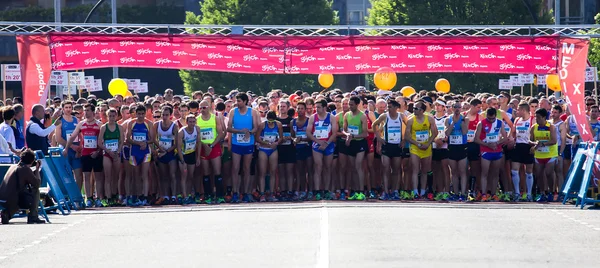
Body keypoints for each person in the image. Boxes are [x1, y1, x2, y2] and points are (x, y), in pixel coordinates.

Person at [64, 104, 104, 207]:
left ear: (93, 112)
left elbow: (102, 140)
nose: (86, 112)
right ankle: (89, 198)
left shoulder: (99, 124)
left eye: (88, 110)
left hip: (96, 154)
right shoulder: (81, 124)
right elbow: (72, 136)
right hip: (85, 153)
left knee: (98, 177)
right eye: (85, 110)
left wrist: (98, 151)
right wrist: (66, 148)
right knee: (86, 176)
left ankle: (98, 198)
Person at [226, 93, 260, 203]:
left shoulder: (252, 112)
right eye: (237, 100)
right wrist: (240, 131)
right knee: (235, 168)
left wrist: (249, 132)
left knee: (246, 168)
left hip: (248, 144)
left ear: (245, 101)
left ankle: (246, 192)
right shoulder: (233, 111)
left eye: (239, 101)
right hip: (236, 144)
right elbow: (229, 128)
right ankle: (235, 192)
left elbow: (256, 127)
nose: (237, 103)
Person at [372, 100, 406, 200]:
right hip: (386, 145)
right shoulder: (384, 116)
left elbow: (409, 126)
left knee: (396, 169)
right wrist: (378, 137)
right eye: (388, 106)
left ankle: (395, 191)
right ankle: (386, 191)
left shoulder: (401, 116)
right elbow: (374, 124)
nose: (388, 109)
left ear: (396, 108)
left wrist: (404, 139)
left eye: (390, 107)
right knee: (385, 169)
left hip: (397, 146)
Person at [0, 149, 45, 224]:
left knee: (17, 196)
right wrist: (37, 170)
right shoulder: (25, 169)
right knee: (35, 191)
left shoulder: (13, 166)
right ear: (32, 161)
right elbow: (37, 184)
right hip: (13, 199)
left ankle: (6, 214)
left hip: (3, 198)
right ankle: (33, 216)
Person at [404, 101, 438, 199]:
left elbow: (435, 133)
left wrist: (428, 143)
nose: (413, 110)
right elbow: (407, 136)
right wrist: (417, 144)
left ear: (422, 110)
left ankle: (422, 191)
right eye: (413, 108)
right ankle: (415, 191)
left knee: (425, 170)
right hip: (415, 147)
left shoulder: (430, 119)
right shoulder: (411, 120)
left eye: (416, 108)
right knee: (415, 169)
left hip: (426, 147)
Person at [307, 99, 338, 201]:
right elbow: (309, 133)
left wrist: (327, 143)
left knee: (327, 168)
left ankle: (327, 190)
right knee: (318, 166)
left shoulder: (331, 118)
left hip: (328, 144)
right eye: (316, 107)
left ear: (325, 108)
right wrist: (318, 142)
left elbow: (334, 133)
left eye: (319, 107)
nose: (317, 109)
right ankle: (317, 191)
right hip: (317, 145)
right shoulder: (313, 117)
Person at [475, 108, 507, 201]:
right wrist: (487, 145)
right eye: (489, 119)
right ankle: (484, 194)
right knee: (485, 173)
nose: (491, 120)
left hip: (497, 150)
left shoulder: (500, 123)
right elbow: (476, 139)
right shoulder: (481, 123)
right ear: (486, 116)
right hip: (486, 150)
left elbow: (505, 137)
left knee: (495, 173)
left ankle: (493, 193)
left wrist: (496, 143)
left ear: (495, 116)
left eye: (493, 119)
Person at [197, 100, 226, 204]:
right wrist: (205, 146)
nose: (202, 110)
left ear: (209, 107)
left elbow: (221, 133)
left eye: (204, 108)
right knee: (206, 173)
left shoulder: (215, 118)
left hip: (214, 146)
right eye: (200, 108)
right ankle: (208, 195)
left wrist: (212, 145)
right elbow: (196, 136)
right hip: (203, 148)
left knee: (217, 171)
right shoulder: (197, 120)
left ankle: (220, 195)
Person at [126, 104, 155, 206]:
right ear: (135, 113)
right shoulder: (131, 123)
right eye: (139, 114)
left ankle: (145, 197)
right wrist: (138, 143)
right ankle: (138, 196)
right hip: (134, 152)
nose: (141, 116)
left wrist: (145, 143)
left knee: (145, 175)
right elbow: (127, 138)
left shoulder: (149, 123)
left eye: (143, 114)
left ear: (145, 113)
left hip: (145, 152)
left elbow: (152, 139)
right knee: (136, 175)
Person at [54, 101, 84, 196]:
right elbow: (58, 138)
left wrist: (79, 147)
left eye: (70, 107)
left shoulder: (76, 120)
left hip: (76, 151)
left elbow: (81, 135)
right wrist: (71, 146)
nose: (68, 109)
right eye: (66, 107)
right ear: (62, 109)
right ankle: (68, 196)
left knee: (79, 175)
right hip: (65, 150)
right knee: (67, 175)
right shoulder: (59, 121)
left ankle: (78, 196)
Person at [342, 96, 369, 200]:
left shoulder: (362, 116)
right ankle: (354, 191)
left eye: (352, 104)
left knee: (358, 166)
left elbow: (365, 133)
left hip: (360, 143)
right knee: (352, 168)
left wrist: (353, 136)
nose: (350, 106)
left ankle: (361, 191)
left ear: (357, 105)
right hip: (351, 143)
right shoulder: (347, 115)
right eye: (349, 104)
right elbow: (344, 129)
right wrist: (347, 134)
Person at [98, 108, 124, 206]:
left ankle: (115, 196)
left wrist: (118, 151)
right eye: (110, 116)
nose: (112, 118)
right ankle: (108, 198)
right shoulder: (104, 127)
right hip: (107, 154)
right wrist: (108, 151)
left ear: (116, 116)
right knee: (108, 177)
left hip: (116, 154)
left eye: (114, 116)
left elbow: (122, 141)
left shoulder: (120, 127)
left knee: (116, 177)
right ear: (107, 116)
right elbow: (99, 142)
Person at [531, 108, 558, 202]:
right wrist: (534, 144)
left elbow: (554, 141)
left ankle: (551, 192)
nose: (536, 119)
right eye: (535, 117)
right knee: (538, 174)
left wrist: (542, 143)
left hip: (550, 154)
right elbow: (530, 140)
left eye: (538, 117)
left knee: (549, 173)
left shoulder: (551, 126)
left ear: (543, 117)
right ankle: (542, 193)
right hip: (539, 155)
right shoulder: (534, 127)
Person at [509, 102, 535, 201]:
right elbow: (513, 133)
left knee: (529, 171)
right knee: (514, 170)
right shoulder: (517, 120)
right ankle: (517, 192)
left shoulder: (533, 119)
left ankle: (528, 194)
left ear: (523, 110)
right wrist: (511, 139)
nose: (517, 112)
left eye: (518, 110)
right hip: (518, 146)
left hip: (528, 146)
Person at [153, 106, 179, 205]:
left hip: (170, 153)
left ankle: (173, 196)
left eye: (167, 115)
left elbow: (177, 142)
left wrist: (168, 150)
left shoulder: (174, 126)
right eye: (163, 115)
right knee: (163, 176)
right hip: (161, 152)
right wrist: (159, 149)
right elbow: (154, 139)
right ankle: (165, 196)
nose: (164, 117)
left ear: (170, 115)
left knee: (172, 175)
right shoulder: (157, 125)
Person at [444, 101, 469, 201]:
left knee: (462, 171)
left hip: (462, 147)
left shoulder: (465, 119)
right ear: (452, 108)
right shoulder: (448, 119)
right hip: (452, 147)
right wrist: (452, 123)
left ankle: (463, 193)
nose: (457, 109)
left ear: (461, 109)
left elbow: (464, 132)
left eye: (459, 107)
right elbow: (447, 133)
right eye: (455, 107)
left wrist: (461, 121)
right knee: (454, 172)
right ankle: (455, 192)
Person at [256, 111, 282, 201]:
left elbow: (281, 138)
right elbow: (257, 138)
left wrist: (277, 143)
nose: (270, 123)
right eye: (269, 121)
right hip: (263, 149)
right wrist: (265, 143)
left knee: (272, 172)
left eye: (272, 122)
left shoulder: (278, 125)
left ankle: (271, 193)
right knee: (262, 172)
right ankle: (262, 194)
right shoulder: (262, 125)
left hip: (273, 149)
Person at [178, 114, 201, 204]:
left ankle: (189, 194)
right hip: (183, 155)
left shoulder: (197, 129)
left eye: (193, 122)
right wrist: (182, 160)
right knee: (184, 175)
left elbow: (199, 143)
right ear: (186, 122)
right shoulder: (182, 132)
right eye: (190, 122)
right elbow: (179, 147)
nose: (192, 124)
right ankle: (184, 196)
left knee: (191, 176)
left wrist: (198, 157)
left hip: (191, 154)